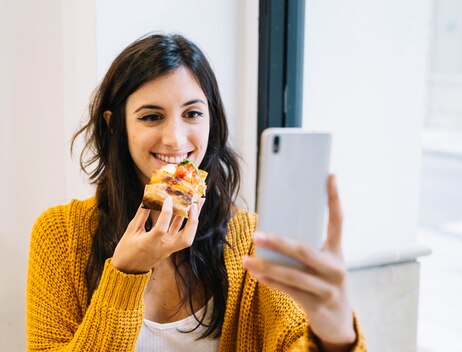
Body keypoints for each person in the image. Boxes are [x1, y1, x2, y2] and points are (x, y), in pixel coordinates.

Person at [26, 33, 366, 351]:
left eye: (192, 114)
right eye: (151, 116)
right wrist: (125, 274)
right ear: (115, 125)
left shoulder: (252, 240)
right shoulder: (60, 234)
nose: (175, 138)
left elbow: (293, 337)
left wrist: (334, 334)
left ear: (211, 122)